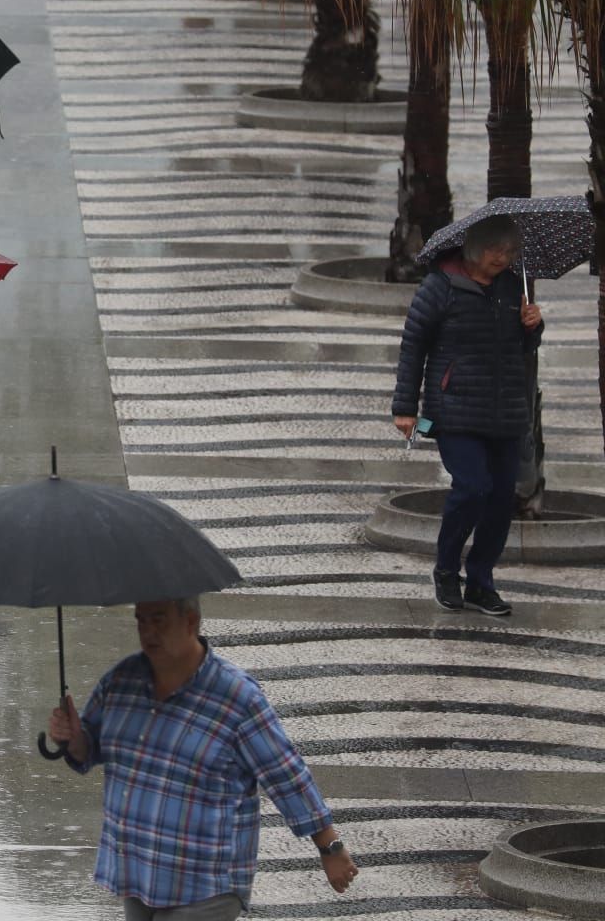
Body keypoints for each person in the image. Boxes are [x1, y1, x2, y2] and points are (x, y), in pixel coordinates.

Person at [46, 597, 360, 918]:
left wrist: (329, 847)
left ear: (191, 622)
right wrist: (73, 737)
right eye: (141, 621)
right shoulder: (120, 681)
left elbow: (284, 773)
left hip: (204, 884)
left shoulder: (237, 698)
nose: (148, 632)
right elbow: (90, 749)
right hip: (138, 872)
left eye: (159, 620)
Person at [392, 213, 542, 617]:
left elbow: (522, 348)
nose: (503, 258)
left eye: (510, 251)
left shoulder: (514, 287)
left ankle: (480, 581)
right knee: (473, 487)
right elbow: (413, 347)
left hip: (506, 412)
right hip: (455, 410)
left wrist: (533, 326)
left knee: (499, 501)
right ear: (475, 247)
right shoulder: (440, 287)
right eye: (497, 250)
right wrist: (405, 407)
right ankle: (446, 570)